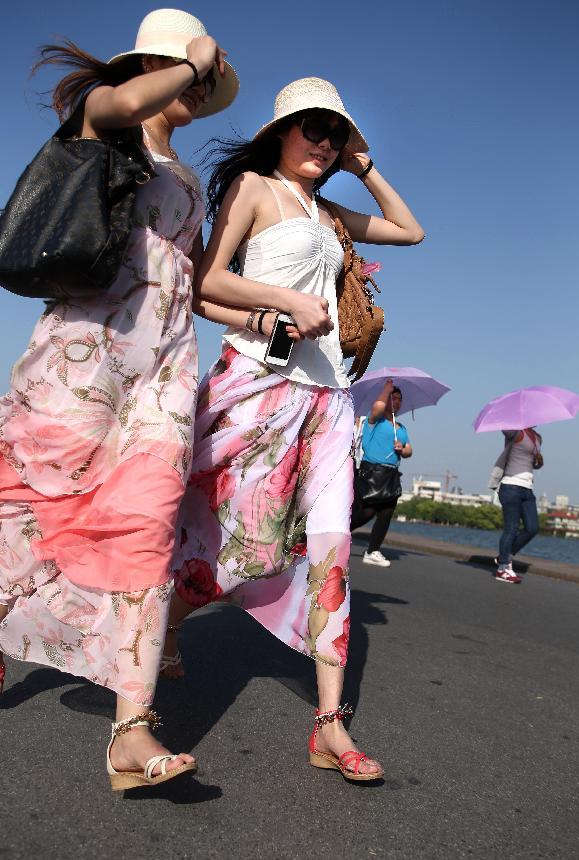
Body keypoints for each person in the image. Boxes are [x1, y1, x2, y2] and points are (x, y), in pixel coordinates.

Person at [0, 9, 238, 790]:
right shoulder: (106, 123)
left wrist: (272, 314)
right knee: (31, 503)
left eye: (204, 82)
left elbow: (199, 282)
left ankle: (131, 732)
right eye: (192, 79)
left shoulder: (189, 177)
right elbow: (125, 105)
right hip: (86, 350)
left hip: (165, 361)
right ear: (156, 69)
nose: (199, 92)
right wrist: (193, 61)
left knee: (147, 521)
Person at [162, 77, 425, 782]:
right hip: (258, 387)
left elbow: (409, 229)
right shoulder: (254, 187)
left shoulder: (331, 210)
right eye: (313, 128)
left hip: (330, 397)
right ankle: (168, 627)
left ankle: (329, 727)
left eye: (335, 134)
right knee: (236, 542)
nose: (324, 143)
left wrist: (363, 165)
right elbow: (205, 282)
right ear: (281, 130)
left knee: (331, 552)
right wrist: (278, 302)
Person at [350, 380, 412, 567]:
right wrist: (386, 389)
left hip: (391, 474)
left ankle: (373, 550)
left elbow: (409, 450)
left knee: (386, 513)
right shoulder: (374, 420)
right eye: (393, 398)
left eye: (399, 399)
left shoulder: (401, 428)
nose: (396, 402)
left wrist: (402, 449)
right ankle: (335, 535)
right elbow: (377, 408)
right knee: (365, 512)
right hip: (372, 472)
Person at [491, 428, 543, 584]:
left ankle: (505, 555)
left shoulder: (537, 437)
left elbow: (530, 463)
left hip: (527, 488)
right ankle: (502, 569)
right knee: (511, 529)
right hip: (511, 486)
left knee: (532, 528)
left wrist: (538, 462)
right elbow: (504, 428)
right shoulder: (515, 432)